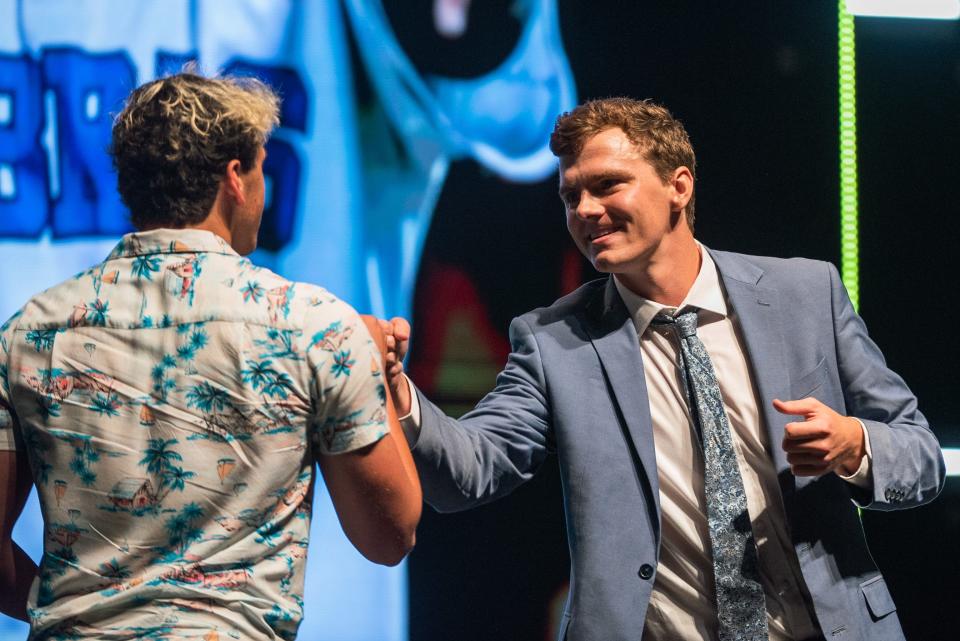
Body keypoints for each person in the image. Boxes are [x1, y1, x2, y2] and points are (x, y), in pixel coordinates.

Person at [381, 97, 944, 641]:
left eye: (606, 185)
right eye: (570, 195)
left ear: (679, 186)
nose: (585, 211)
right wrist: (395, 388)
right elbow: (469, 471)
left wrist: (855, 445)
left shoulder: (805, 293)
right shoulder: (554, 340)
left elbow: (920, 457)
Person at [0, 71, 421, 640]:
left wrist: (76, 614)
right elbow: (389, 536)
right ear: (235, 179)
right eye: (262, 167)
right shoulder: (316, 327)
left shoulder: (31, 332)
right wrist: (373, 364)